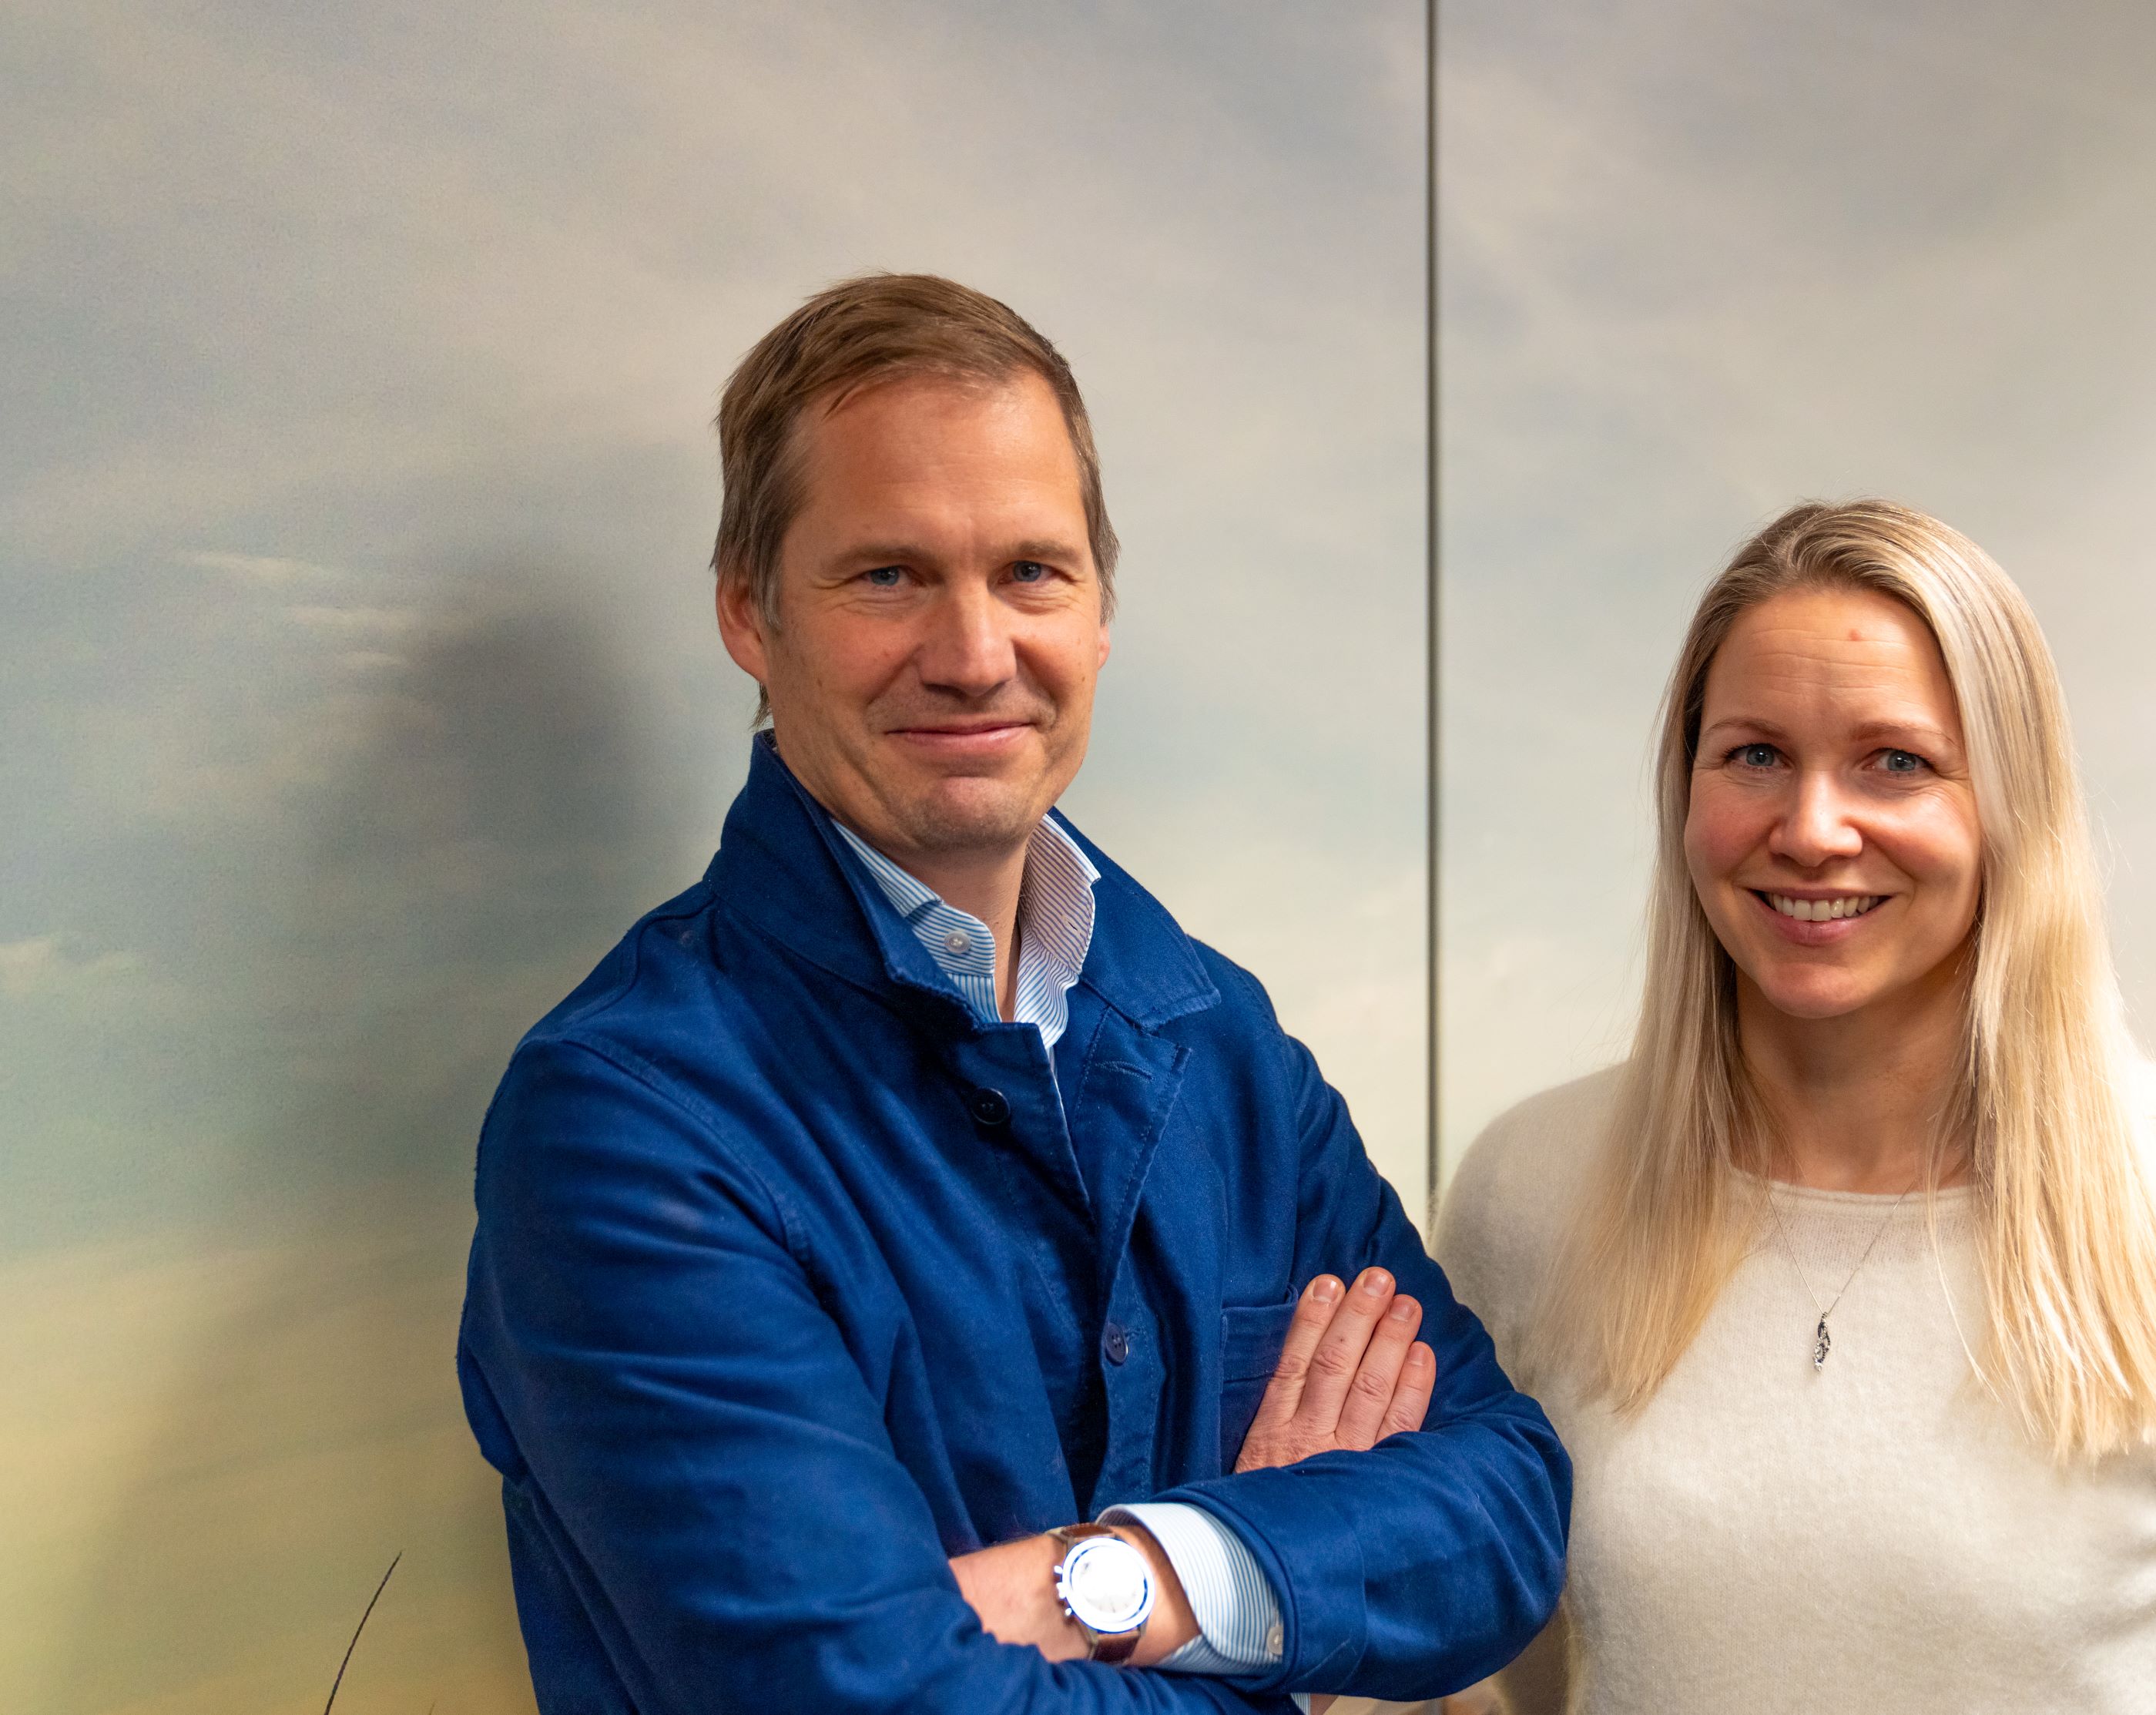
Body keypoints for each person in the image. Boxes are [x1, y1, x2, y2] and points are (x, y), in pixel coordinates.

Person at [457, 273, 1569, 1714]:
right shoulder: (626, 1124)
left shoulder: (1216, 1038)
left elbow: (1504, 1505)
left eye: (1032, 570)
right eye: (888, 575)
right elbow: (867, 1701)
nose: (976, 654)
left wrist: (1130, 1575)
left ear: (1100, 611)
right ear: (747, 610)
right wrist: (1292, 1609)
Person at [1437, 501, 2156, 1713]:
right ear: (1683, 785)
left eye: (1897, 761)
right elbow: (1485, 1667)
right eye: (1754, 754)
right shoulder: (1530, 1192)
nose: (1811, 829)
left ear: (2008, 805)